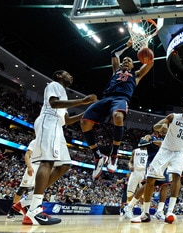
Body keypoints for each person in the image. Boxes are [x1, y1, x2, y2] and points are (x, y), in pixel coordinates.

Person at [22, 70, 97, 225]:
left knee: (64, 164)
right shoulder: (54, 85)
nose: (71, 76)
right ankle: (34, 211)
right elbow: (54, 103)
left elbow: (67, 121)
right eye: (67, 74)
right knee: (47, 162)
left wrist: (87, 113)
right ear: (58, 75)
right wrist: (83, 101)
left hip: (58, 126)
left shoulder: (63, 93)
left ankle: (30, 198)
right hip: (48, 122)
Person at [80, 38, 154, 179]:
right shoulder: (116, 71)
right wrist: (127, 44)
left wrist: (145, 46)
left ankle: (114, 155)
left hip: (121, 99)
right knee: (84, 122)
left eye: (129, 61)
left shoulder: (136, 75)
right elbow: (114, 53)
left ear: (133, 65)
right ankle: (98, 156)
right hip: (106, 98)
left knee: (118, 117)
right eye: (124, 60)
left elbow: (150, 62)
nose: (126, 61)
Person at [131, 100, 183, 223]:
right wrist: (163, 126)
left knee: (176, 177)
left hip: (179, 153)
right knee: (150, 179)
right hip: (165, 149)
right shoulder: (173, 116)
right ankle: (145, 213)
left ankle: (169, 211)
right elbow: (156, 127)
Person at [124, 130, 170, 220]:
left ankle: (159, 211)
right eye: (162, 126)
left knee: (165, 186)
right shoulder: (149, 136)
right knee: (147, 186)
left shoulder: (166, 138)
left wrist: (163, 144)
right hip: (152, 163)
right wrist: (151, 141)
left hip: (163, 164)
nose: (165, 127)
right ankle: (130, 206)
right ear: (157, 128)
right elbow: (141, 145)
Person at [6, 139, 39, 220]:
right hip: (33, 166)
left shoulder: (48, 143)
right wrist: (29, 166)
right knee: (22, 189)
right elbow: (27, 155)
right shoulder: (35, 141)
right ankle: (11, 211)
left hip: (42, 168)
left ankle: (30, 212)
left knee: (36, 191)